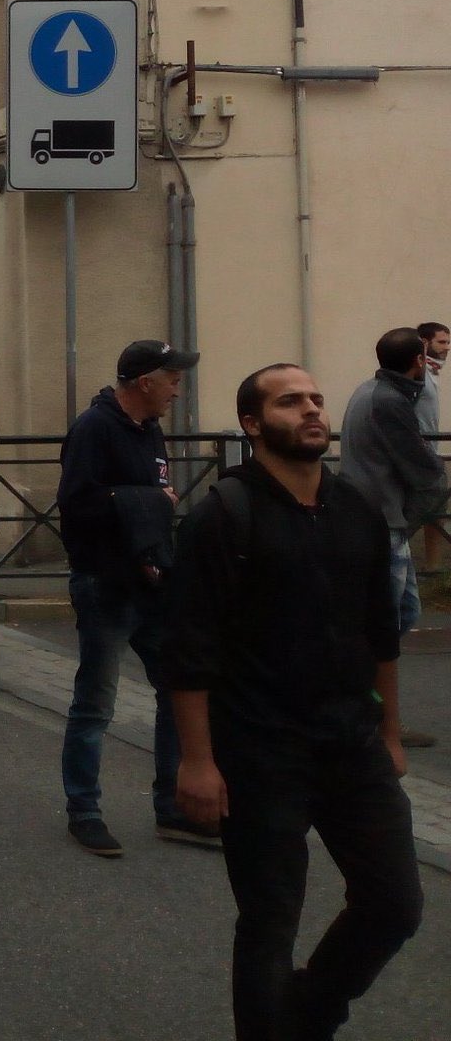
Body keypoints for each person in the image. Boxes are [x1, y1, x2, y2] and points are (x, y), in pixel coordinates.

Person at [163, 364, 423, 1040]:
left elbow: (381, 634)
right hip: (261, 751)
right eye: (289, 402)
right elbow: (188, 649)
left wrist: (390, 734)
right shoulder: (225, 515)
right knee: (270, 922)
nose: (310, 410)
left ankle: (307, 1013)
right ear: (252, 424)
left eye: (314, 399)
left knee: (395, 904)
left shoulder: (356, 510)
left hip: (352, 746)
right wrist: (197, 761)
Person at [56, 338, 213, 857]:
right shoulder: (94, 428)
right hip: (105, 584)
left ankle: (172, 807)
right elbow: (75, 504)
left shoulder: (150, 429)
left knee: (177, 688)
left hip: (152, 581)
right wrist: (148, 500)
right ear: (145, 382)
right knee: (95, 703)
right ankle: (84, 811)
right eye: (172, 379)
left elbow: (155, 502)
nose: (177, 390)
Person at [338, 327, 447, 749]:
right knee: (382, 625)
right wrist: (414, 514)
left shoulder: (371, 390)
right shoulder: (389, 400)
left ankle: (365, 702)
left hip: (379, 518)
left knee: (403, 611)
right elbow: (425, 471)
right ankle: (373, 714)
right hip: (383, 522)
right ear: (419, 361)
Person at [415, 321, 448, 572]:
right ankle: (432, 568)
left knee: (436, 510)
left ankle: (433, 568)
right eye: (442, 342)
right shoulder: (417, 373)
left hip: (429, 452)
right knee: (433, 509)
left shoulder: (431, 372)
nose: (447, 347)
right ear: (425, 343)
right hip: (418, 453)